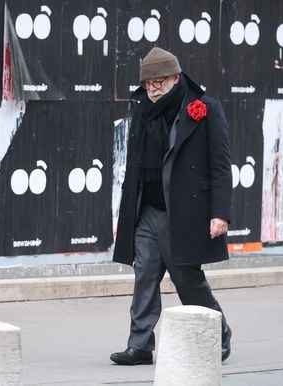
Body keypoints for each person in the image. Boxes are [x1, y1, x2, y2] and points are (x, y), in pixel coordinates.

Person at [110, 47, 233, 366]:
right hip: (147, 211)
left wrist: (220, 213)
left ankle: (217, 333)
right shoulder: (141, 110)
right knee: (145, 277)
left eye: (159, 82)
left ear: (176, 79)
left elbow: (220, 166)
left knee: (187, 280)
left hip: (183, 213)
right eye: (148, 83)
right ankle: (140, 345)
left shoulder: (205, 109)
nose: (152, 88)